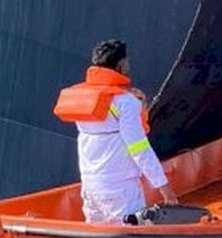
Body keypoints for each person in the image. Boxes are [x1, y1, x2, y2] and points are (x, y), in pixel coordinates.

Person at [53, 40, 177, 224]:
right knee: (132, 235)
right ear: (120, 66)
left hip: (90, 186)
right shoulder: (127, 103)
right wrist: (164, 187)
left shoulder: (84, 98)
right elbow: (139, 149)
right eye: (127, 61)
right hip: (120, 188)